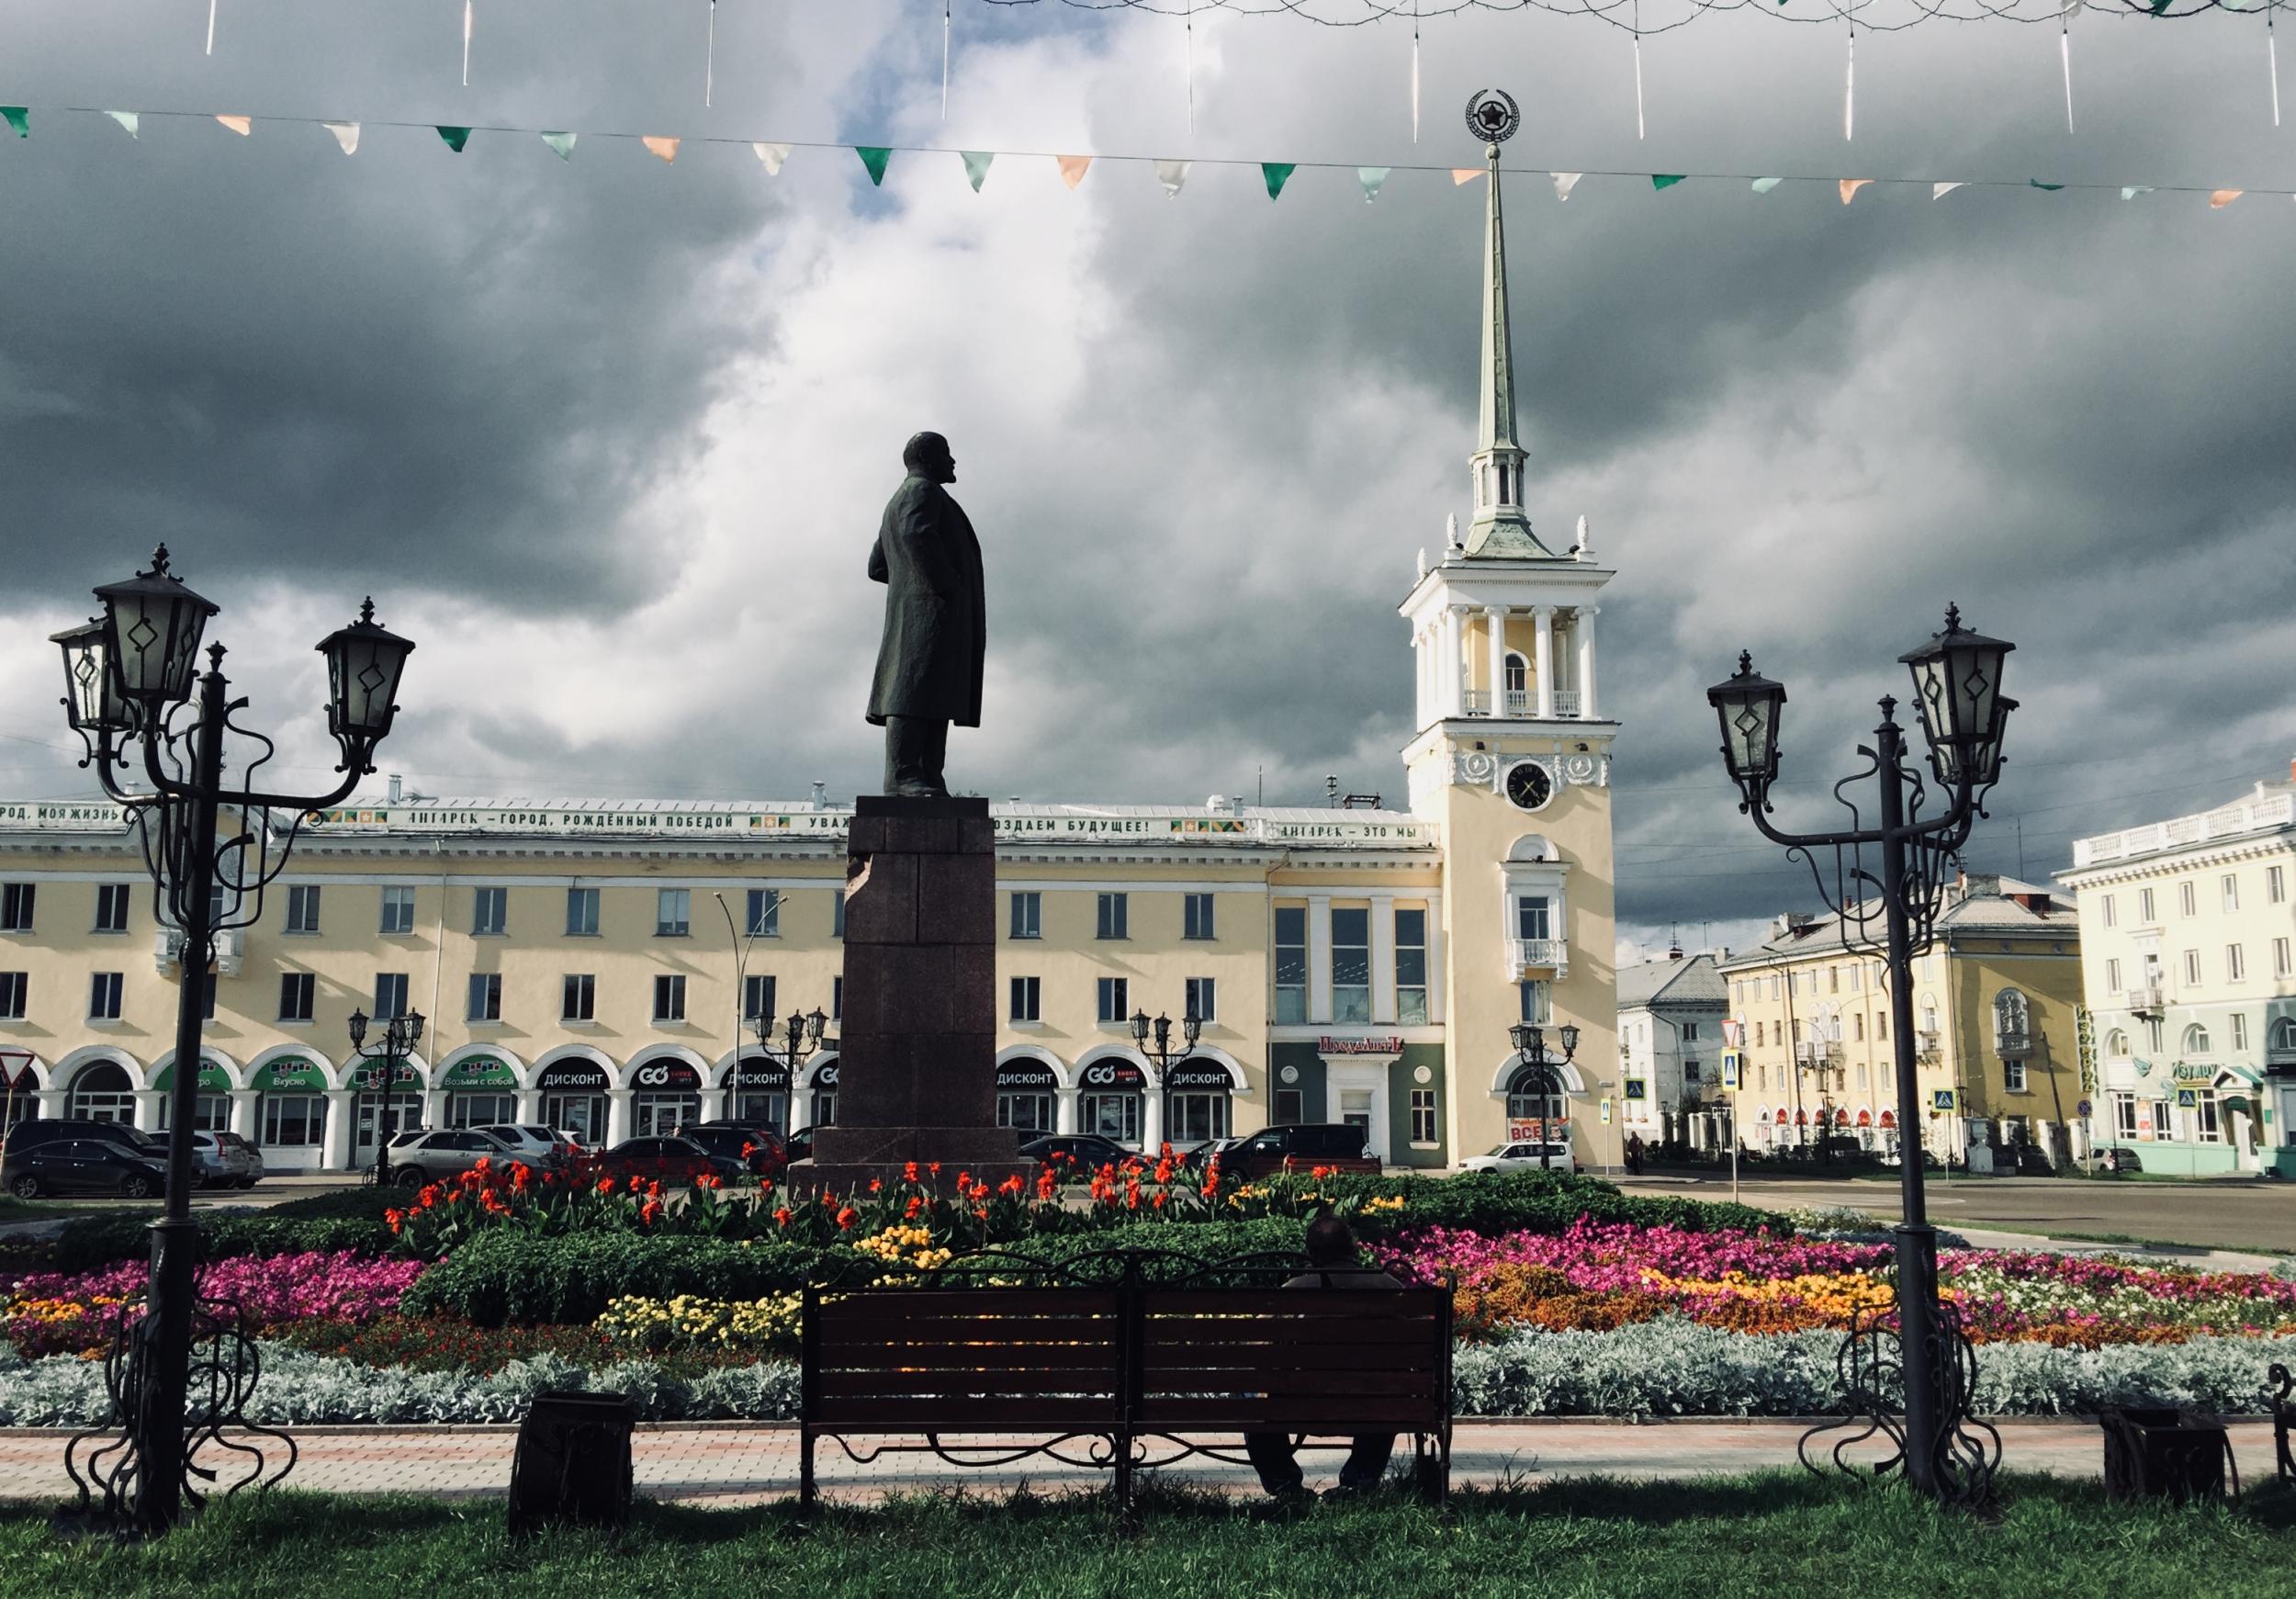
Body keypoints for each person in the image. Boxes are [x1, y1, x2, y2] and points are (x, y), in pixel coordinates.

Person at [1244, 1213, 1404, 1500]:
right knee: (1388, 1394)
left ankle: (1285, 1485)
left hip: (1299, 1406)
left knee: (1252, 1400)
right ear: (1352, 1249)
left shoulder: (1293, 1292)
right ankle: (1360, 1482)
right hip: (1372, 1405)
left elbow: (1258, 1349)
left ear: (1311, 1253)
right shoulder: (1390, 1288)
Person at [866, 431, 985, 799]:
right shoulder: (922, 492)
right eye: (947, 454)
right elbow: (917, 536)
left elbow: (877, 566)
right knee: (911, 691)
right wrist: (945, 583)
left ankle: (930, 774)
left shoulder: (901, 500)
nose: (953, 462)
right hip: (927, 611)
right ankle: (903, 776)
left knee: (934, 692)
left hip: (927, 610)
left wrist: (907, 578)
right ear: (929, 457)